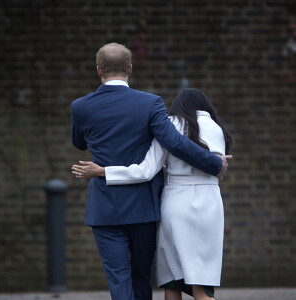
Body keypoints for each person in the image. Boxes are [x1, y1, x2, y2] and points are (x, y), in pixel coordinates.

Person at [71, 43, 230, 300]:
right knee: (141, 276)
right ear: (130, 69)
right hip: (142, 206)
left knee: (118, 278)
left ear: (98, 70)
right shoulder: (150, 103)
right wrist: (213, 163)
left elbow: (79, 143)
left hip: (104, 208)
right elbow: (174, 142)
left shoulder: (80, 106)